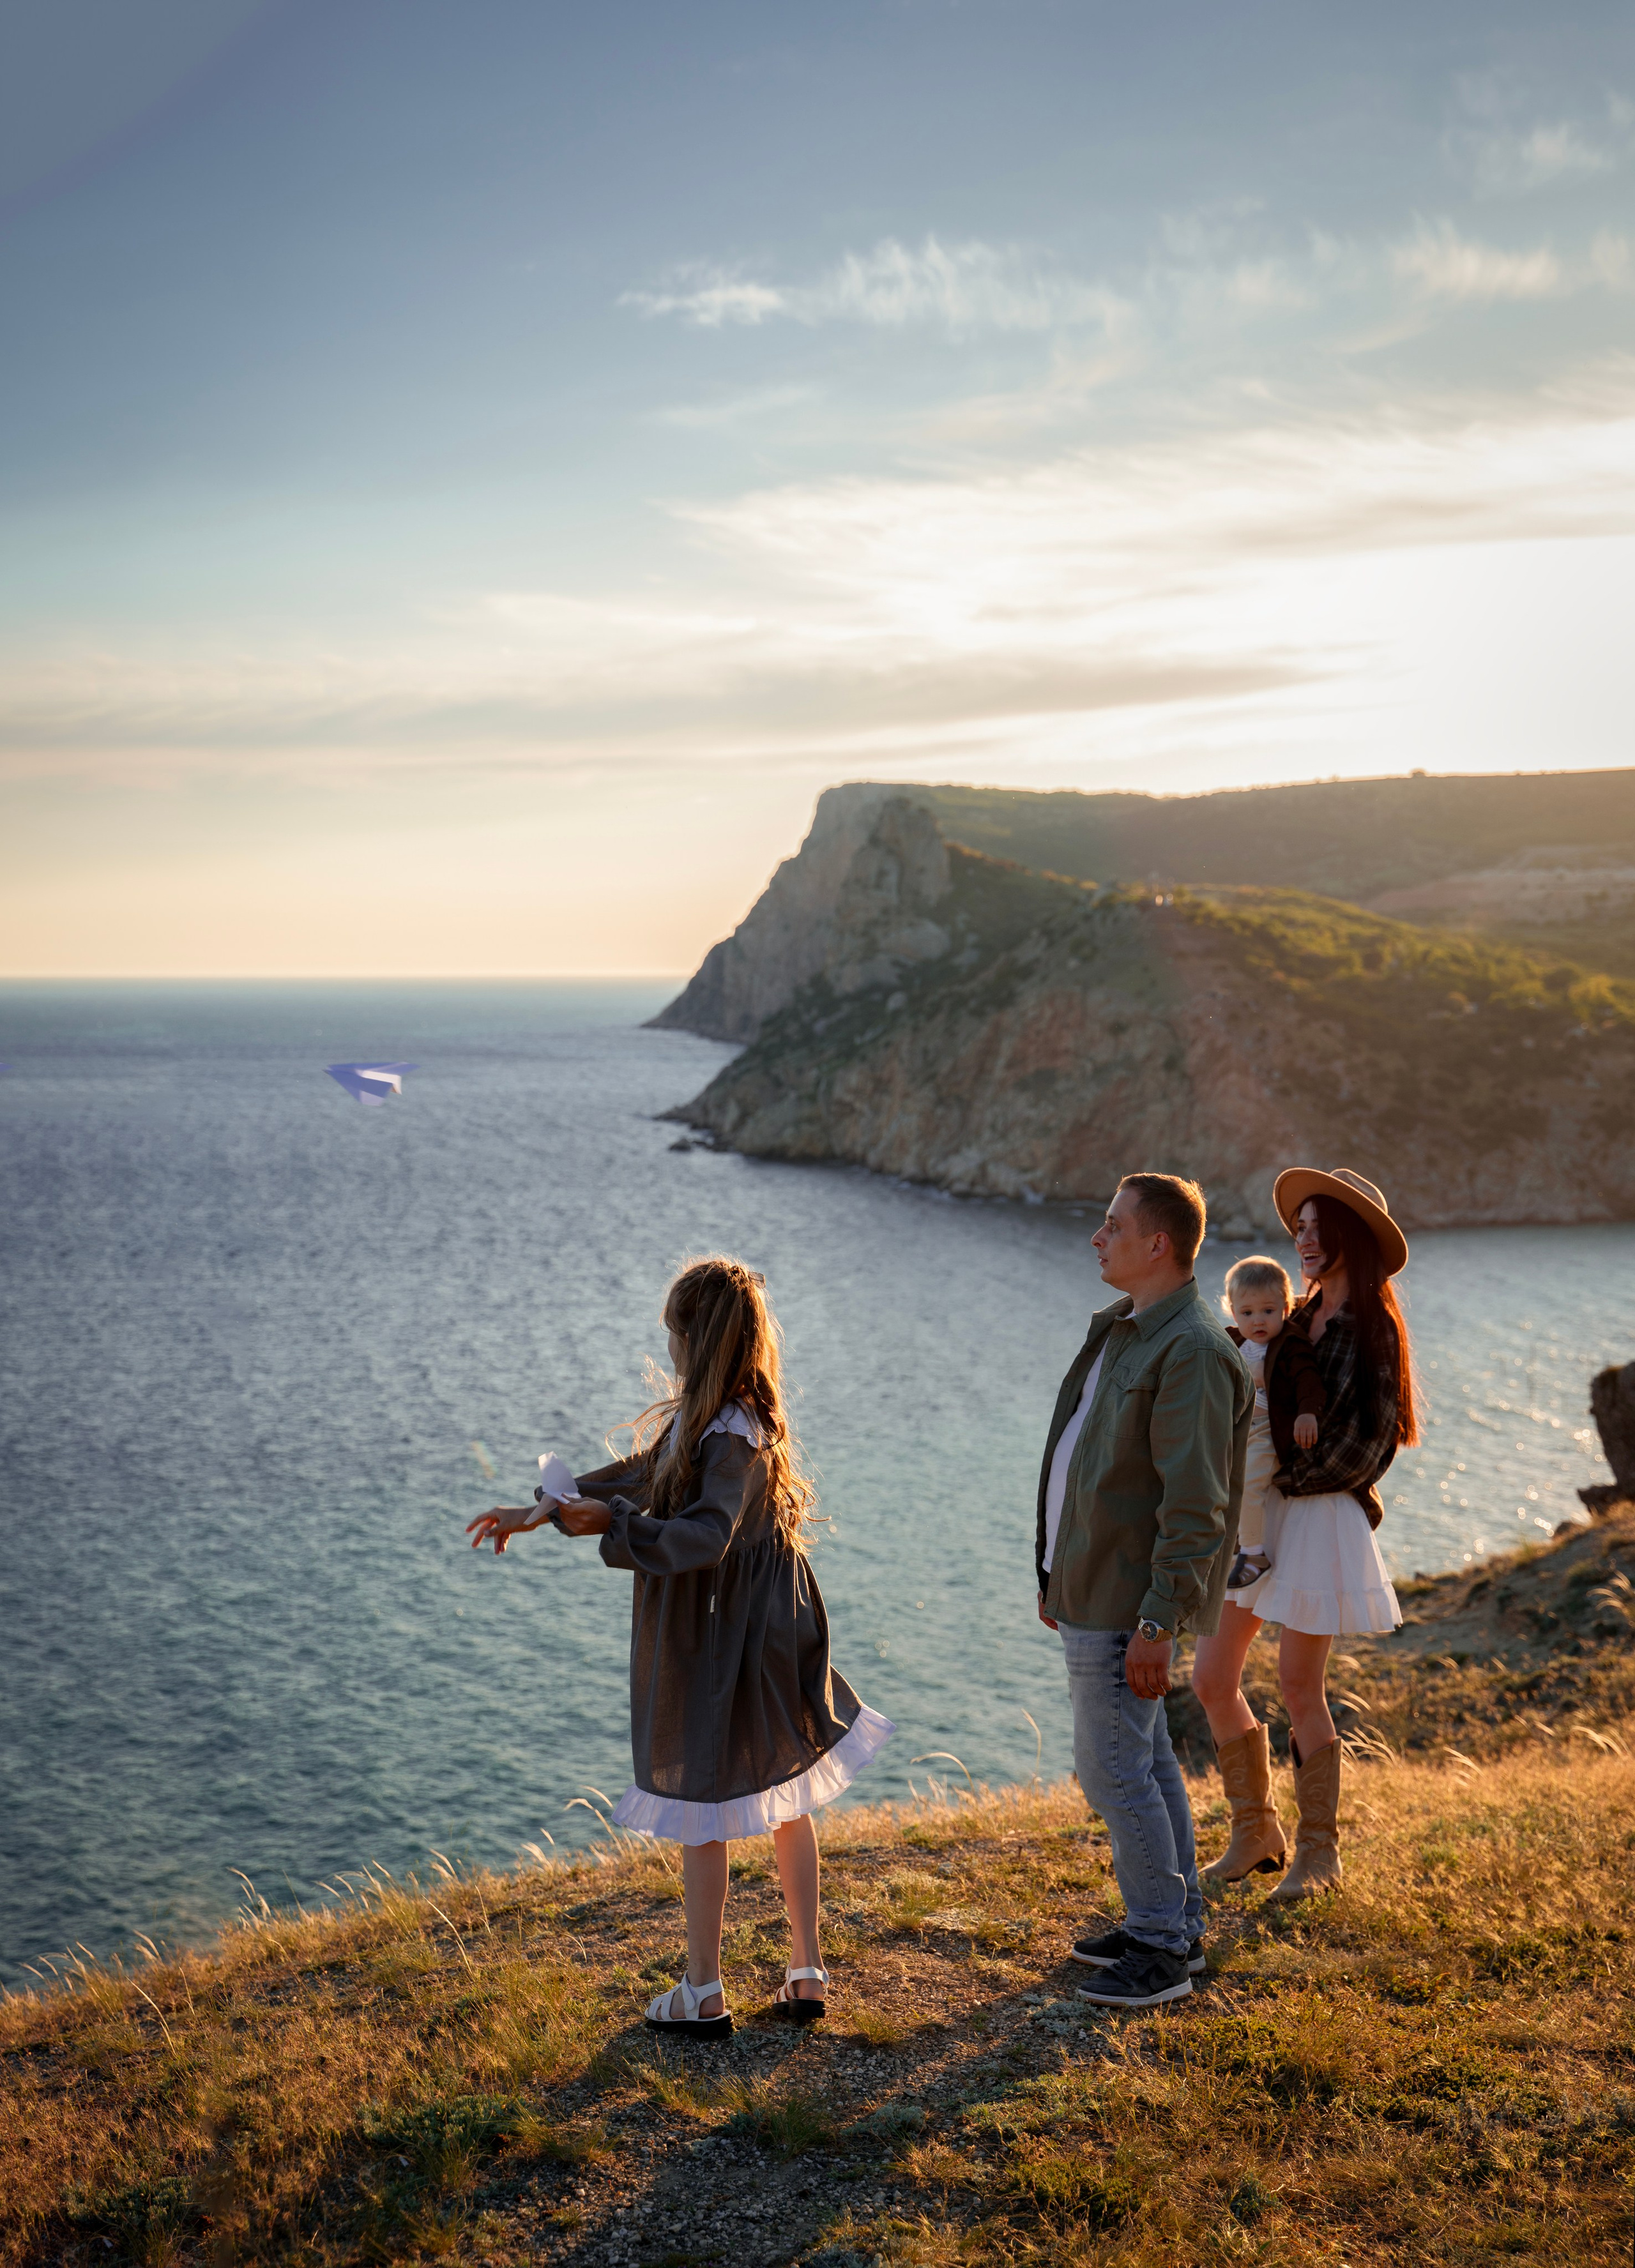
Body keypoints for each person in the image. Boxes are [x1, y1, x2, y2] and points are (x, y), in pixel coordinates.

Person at [466, 1255, 893, 2037]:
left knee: (702, 1799)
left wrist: (616, 1527)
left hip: (723, 1624)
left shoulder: (727, 1434)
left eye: (673, 1334)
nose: (667, 1348)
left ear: (696, 1342)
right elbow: (647, 1471)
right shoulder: (731, 1417)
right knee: (785, 1789)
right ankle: (806, 1969)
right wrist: (547, 1507)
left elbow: (703, 1535)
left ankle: (702, 1989)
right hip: (768, 1619)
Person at [1037, 1173, 1252, 2010]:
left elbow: (1195, 1507)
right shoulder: (1130, 1332)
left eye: (1112, 1225)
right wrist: (1055, 1572)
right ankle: (1174, 1916)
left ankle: (1163, 1946)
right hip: (1092, 1588)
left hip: (1131, 1605)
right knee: (1148, 1758)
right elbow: (1090, 1464)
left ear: (1156, 1243)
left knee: (1113, 1770)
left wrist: (1158, 1621)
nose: (1098, 1238)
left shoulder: (1192, 1350)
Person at [1192, 1167, 1415, 1902]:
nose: (1305, 1237)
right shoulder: (1292, 1314)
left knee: (1297, 1685)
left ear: (1353, 1236)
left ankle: (1319, 1854)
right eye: (1302, 1226)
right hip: (1262, 1511)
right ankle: (1255, 1833)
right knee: (1213, 1678)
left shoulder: (1370, 1329)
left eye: (1321, 1226)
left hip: (1314, 1515)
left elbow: (1369, 1447)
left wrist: (1281, 1478)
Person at [1221, 1256, 1327, 1591]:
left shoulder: (1291, 1343)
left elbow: (1308, 1379)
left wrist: (1308, 1412)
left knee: (1251, 1486)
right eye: (1248, 1313)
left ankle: (1254, 1554)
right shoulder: (1232, 1342)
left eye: (1269, 1311)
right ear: (1233, 1312)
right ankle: (1235, 1543)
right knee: (1223, 1484)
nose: (1259, 1321)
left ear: (1285, 1306)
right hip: (1238, 1430)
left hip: (1270, 1431)